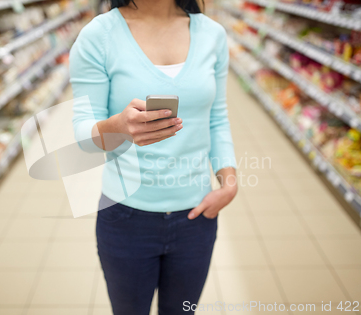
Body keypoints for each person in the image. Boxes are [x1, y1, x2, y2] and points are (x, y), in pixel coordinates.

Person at [69, 0, 237, 313]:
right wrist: (118, 126)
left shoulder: (212, 34)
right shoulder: (99, 36)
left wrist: (229, 183)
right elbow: (82, 138)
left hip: (196, 217)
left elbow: (217, 118)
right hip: (126, 216)